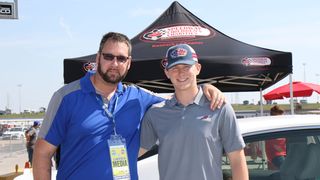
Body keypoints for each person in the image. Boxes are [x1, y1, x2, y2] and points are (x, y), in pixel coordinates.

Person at [33, 32, 225, 180]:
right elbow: (42, 153)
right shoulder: (66, 97)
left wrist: (204, 88)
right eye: (109, 57)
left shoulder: (139, 97)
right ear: (98, 58)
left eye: (121, 58)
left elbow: (178, 98)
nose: (114, 63)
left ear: (129, 63)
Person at [139, 44, 248, 180]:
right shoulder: (156, 113)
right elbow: (135, 152)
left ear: (197, 68)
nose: (181, 73)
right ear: (167, 72)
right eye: (174, 68)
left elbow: (237, 160)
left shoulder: (220, 107)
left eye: (186, 67)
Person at [265, 105, 286, 169]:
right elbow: (275, 146)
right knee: (286, 168)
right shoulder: (270, 128)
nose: (281, 120)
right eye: (278, 118)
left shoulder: (284, 127)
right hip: (276, 155)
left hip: (285, 154)